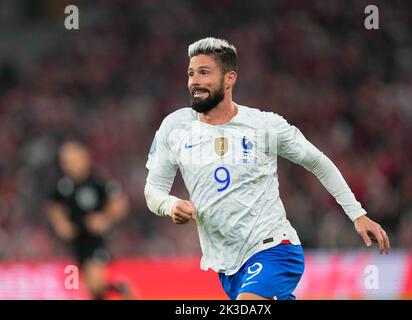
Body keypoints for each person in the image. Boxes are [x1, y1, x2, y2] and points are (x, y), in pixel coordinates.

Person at [144, 37, 391, 300]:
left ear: (229, 79)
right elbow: (153, 190)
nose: (194, 81)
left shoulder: (264, 126)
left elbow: (317, 161)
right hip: (228, 266)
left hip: (273, 248)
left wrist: (357, 214)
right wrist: (169, 205)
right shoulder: (175, 127)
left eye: (204, 73)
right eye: (191, 73)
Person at [47, 140, 131, 299]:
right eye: (64, 161)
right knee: (92, 289)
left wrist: (105, 218)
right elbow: (54, 206)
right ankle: (120, 289)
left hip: (96, 238)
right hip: (77, 239)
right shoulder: (63, 185)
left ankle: (121, 289)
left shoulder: (98, 181)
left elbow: (120, 204)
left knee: (95, 281)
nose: (67, 165)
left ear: (84, 158)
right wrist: (61, 224)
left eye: (70, 160)